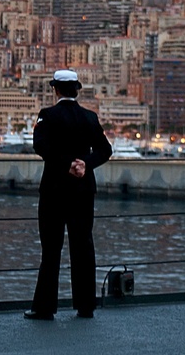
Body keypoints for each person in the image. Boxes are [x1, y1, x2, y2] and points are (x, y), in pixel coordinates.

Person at [25, 69, 113, 321]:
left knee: (51, 249)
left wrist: (66, 164)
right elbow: (105, 150)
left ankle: (44, 308)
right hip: (83, 191)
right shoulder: (89, 117)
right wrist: (84, 164)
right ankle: (86, 306)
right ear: (76, 89)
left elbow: (40, 146)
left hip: (54, 191)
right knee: (83, 247)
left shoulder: (47, 116)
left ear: (55, 89)